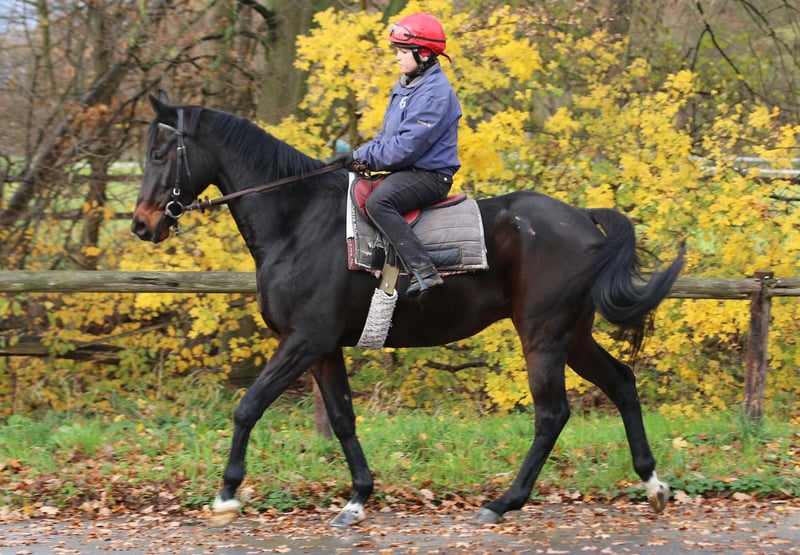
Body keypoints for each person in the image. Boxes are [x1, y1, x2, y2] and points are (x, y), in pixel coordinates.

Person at [335, 13, 462, 298]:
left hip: (431, 176)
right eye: (397, 51)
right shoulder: (407, 84)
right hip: (407, 171)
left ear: (424, 54)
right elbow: (386, 137)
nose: (397, 57)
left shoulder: (434, 93)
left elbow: (405, 148)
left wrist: (364, 157)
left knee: (379, 202)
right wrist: (358, 157)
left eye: (403, 52)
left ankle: (424, 270)